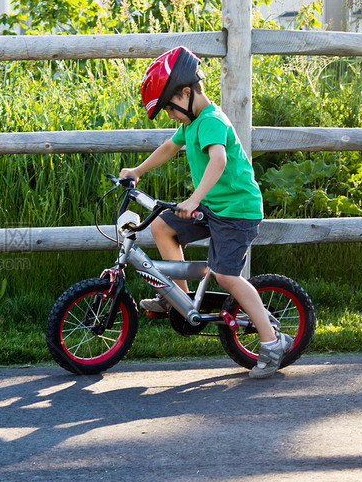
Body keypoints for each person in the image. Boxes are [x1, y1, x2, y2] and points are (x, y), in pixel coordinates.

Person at [119, 46, 292, 379]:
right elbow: (170, 147)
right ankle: (180, 301)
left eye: (170, 107)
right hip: (214, 206)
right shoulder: (192, 122)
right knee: (161, 228)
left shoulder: (211, 120)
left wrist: (195, 199)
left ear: (186, 93)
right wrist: (138, 171)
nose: (170, 115)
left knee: (226, 275)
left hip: (237, 211)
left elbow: (219, 160)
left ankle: (272, 344)